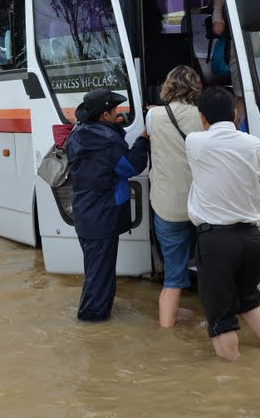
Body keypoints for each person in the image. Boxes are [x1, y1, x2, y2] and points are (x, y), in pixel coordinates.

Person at [186, 87, 260, 362]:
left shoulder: (195, 141)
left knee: (221, 317)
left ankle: (235, 380)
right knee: (250, 302)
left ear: (203, 118)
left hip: (216, 243)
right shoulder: (254, 144)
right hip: (252, 240)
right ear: (236, 114)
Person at [65, 88, 150, 322]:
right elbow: (131, 166)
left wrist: (115, 128)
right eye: (114, 111)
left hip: (85, 214)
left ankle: (94, 318)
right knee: (100, 279)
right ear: (104, 115)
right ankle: (92, 327)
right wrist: (142, 140)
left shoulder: (78, 134)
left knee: (96, 273)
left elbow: (101, 159)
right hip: (102, 218)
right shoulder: (109, 142)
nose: (117, 113)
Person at [145, 66, 203, 327]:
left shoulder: (154, 116)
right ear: (195, 86)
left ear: (168, 86)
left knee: (173, 276)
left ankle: (165, 331)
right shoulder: (203, 117)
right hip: (201, 205)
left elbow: (144, 139)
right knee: (210, 268)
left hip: (167, 205)